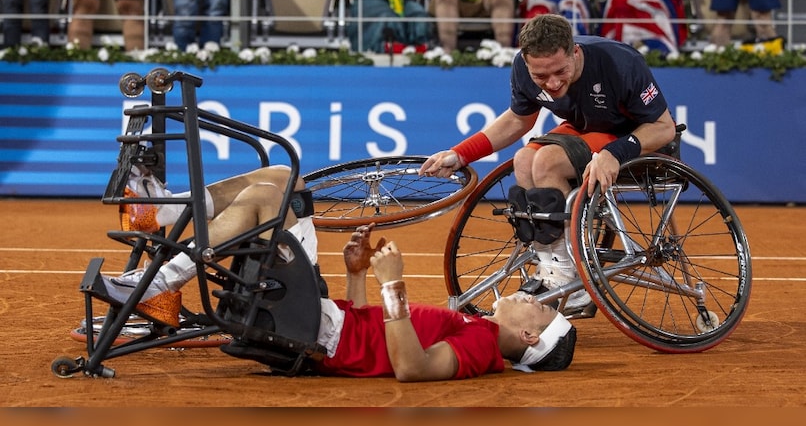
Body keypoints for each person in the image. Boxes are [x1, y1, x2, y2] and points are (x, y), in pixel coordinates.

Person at [100, 164, 577, 380]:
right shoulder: (477, 333)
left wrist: (393, 285)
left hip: (317, 330)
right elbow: (376, 339)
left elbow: (410, 369)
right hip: (329, 319)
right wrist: (357, 275)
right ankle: (166, 218)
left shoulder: (482, 349)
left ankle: (155, 285)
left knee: (271, 197)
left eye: (536, 309)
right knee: (287, 181)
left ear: (530, 338)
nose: (531, 296)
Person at [419, 13, 677, 314]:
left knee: (547, 162)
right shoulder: (523, 69)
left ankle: (573, 275)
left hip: (635, 137)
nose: (552, 83)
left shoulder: (618, 63)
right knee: (524, 158)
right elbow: (518, 119)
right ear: (526, 63)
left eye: (560, 71)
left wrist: (615, 153)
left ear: (574, 52)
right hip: (586, 129)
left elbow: (664, 127)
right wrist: (461, 153)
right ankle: (551, 264)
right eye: (541, 77)